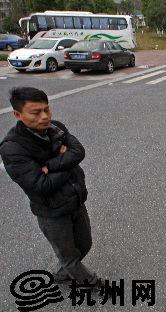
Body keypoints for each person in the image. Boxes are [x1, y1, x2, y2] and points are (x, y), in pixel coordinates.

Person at [0, 87, 100, 287]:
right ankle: (92, 283)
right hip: (51, 210)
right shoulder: (12, 147)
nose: (45, 116)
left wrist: (51, 165)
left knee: (85, 245)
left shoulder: (56, 128)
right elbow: (40, 185)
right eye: (36, 112)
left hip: (75, 199)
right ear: (18, 115)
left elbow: (78, 151)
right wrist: (66, 162)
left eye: (47, 109)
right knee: (69, 255)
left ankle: (63, 275)